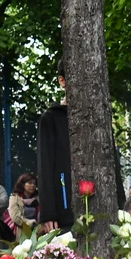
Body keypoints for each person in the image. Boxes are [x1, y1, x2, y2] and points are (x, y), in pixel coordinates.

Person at [37, 58, 74, 232]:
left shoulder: (99, 117)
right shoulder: (51, 118)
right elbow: (45, 166)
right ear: (62, 81)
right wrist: (48, 213)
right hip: (64, 213)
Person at [7, 173, 39, 238]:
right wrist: (31, 223)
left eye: (34, 184)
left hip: (38, 233)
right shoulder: (15, 198)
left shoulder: (38, 198)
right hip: (22, 234)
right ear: (22, 184)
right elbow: (16, 218)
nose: (32, 185)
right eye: (30, 183)